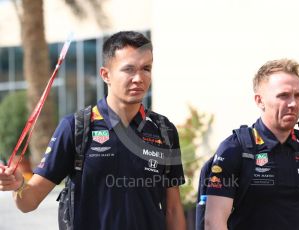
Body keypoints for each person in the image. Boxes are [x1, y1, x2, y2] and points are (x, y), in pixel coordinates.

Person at [0, 31, 186, 230]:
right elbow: (29, 201)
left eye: (146, 68)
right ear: (106, 75)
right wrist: (18, 185)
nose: (139, 78)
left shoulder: (163, 130)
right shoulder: (76, 128)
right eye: (129, 69)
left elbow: (173, 209)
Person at [204, 59, 299, 230]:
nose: (293, 104)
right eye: (283, 95)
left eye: (298, 96)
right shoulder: (236, 149)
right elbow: (214, 222)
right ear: (259, 101)